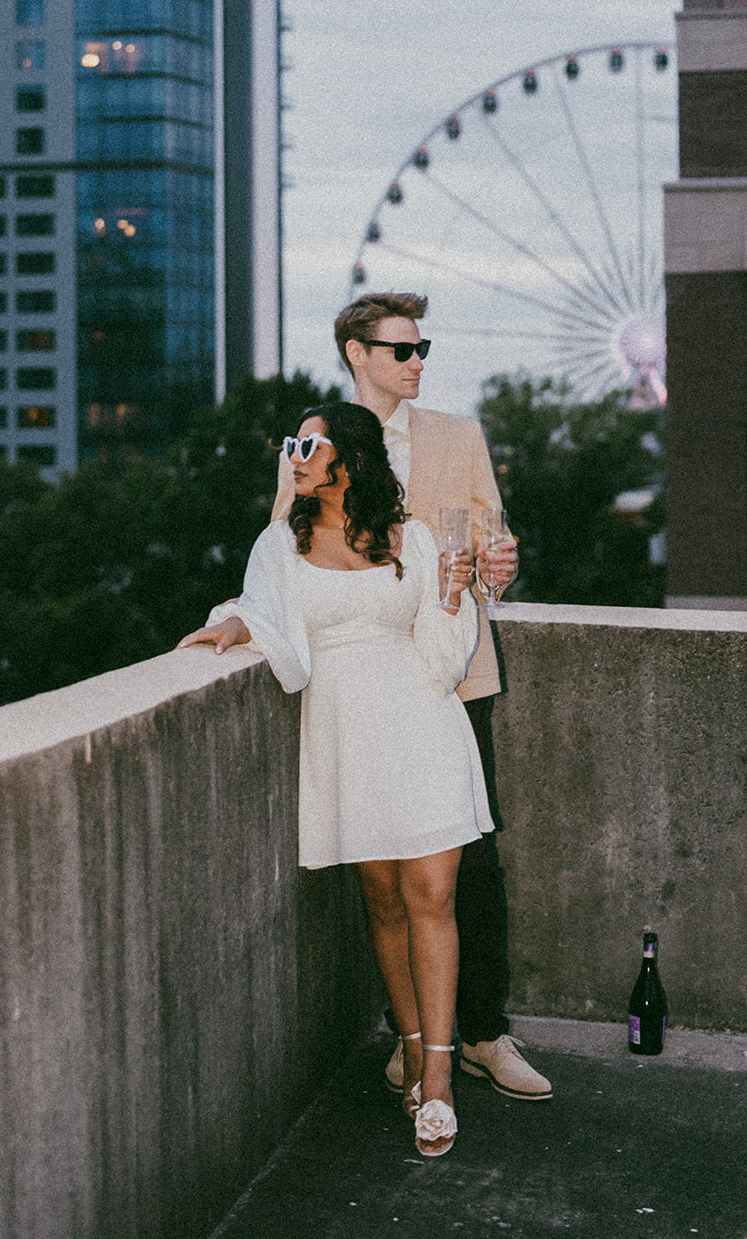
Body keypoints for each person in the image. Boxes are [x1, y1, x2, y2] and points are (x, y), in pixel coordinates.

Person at [178, 401, 493, 1157]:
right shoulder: (279, 546)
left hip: (422, 725)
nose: (293, 455)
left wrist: (449, 595)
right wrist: (231, 625)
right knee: (383, 900)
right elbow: (261, 611)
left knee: (433, 896)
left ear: (346, 459)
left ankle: (439, 1082)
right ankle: (412, 1047)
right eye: (290, 443)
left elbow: (442, 655)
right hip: (347, 734)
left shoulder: (410, 538)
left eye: (307, 445)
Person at [270, 292, 552, 1103]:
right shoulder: (308, 444)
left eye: (422, 347)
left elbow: (495, 536)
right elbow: (280, 557)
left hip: (455, 670)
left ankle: (483, 1036)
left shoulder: (458, 437)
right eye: (401, 349)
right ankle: (414, 1037)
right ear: (357, 354)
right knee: (383, 874)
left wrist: (499, 567)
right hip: (360, 688)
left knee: (474, 861)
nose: (417, 361)